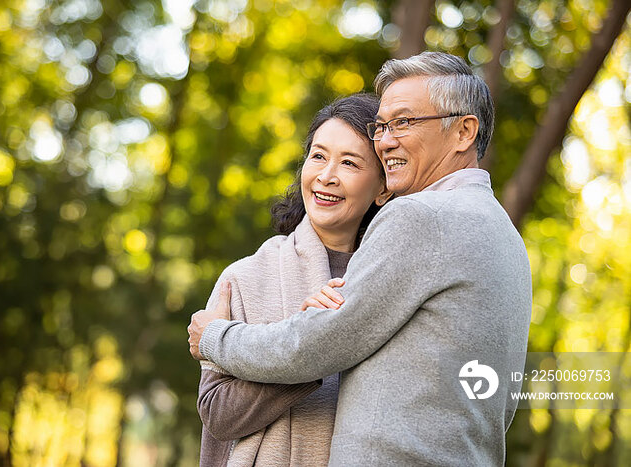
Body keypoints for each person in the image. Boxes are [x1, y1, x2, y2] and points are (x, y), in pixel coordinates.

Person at [188, 52, 532, 466]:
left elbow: (321, 343)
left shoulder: (421, 217)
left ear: (463, 131)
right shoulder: (506, 236)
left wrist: (216, 337)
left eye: (404, 122)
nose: (387, 140)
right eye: (383, 126)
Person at [196, 93, 392, 466]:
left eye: (349, 163)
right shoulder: (244, 277)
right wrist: (304, 346)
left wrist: (310, 345)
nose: (326, 176)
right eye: (318, 156)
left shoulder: (392, 283)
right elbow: (218, 415)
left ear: (383, 188)